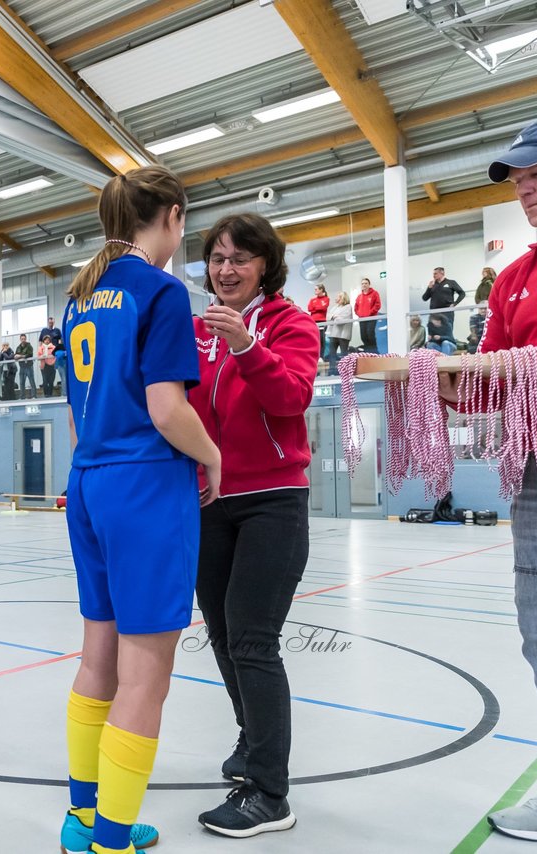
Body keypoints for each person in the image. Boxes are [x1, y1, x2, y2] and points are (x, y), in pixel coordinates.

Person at [58, 164, 222, 854]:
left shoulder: (80, 299)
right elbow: (167, 409)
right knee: (146, 672)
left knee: (98, 654)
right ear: (173, 217)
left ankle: (84, 817)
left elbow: (76, 414)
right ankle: (113, 840)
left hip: (90, 479)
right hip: (146, 486)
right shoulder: (161, 291)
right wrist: (211, 455)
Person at [439, 107, 537, 841]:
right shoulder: (517, 277)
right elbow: (492, 381)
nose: (524, 187)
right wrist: (442, 382)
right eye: (517, 178)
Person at [189, 212, 317, 838]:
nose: (226, 269)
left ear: (265, 264)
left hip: (273, 501)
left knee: (252, 641)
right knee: (220, 631)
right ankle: (250, 738)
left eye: (239, 258)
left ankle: (269, 792)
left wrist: (245, 343)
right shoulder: (194, 331)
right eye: (216, 258)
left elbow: (290, 398)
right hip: (210, 501)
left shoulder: (290, 323)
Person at [422, 266, 465, 338]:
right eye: (433, 273)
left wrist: (455, 303)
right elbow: (424, 298)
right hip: (434, 312)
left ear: (442, 273)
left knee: (448, 329)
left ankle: (448, 345)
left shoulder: (451, 282)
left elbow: (462, 293)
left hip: (447, 311)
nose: (434, 275)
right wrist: (429, 288)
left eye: (435, 273)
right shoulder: (433, 285)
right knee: (433, 331)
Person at [326, 291, 353, 372]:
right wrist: (334, 316)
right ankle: (332, 370)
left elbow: (342, 320)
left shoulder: (348, 307)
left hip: (343, 335)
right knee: (332, 354)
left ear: (343, 298)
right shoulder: (334, 307)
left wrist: (334, 317)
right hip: (333, 334)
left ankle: (345, 371)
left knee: (344, 354)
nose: (336, 298)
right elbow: (328, 317)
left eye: (338, 296)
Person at [353, 277, 381, 353]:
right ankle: (368, 352)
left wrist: (370, 313)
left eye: (366, 283)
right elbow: (356, 307)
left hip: (371, 318)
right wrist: (359, 314)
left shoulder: (375, 293)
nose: (364, 285)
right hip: (362, 319)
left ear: (369, 284)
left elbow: (377, 305)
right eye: (362, 283)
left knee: (370, 334)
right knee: (363, 336)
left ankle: (375, 352)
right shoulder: (359, 296)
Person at [306, 284, 329, 366]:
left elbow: (323, 308)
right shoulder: (312, 300)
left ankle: (321, 357)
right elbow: (309, 308)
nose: (315, 291)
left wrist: (315, 308)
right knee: (315, 340)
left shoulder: (326, 299)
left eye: (316, 289)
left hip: (322, 321)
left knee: (321, 341)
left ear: (321, 290)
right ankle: (315, 357)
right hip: (313, 322)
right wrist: (317, 308)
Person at [16, 333, 36, 399]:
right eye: (22, 339)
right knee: (21, 383)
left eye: (24, 339)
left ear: (26, 339)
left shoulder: (29, 346)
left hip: (29, 366)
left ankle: (34, 396)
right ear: (20, 339)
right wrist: (20, 356)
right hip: (22, 367)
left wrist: (20, 356)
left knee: (32, 381)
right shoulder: (18, 347)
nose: (23, 340)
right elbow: (15, 356)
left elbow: (29, 354)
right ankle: (22, 397)